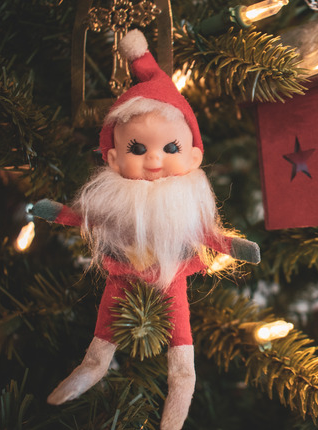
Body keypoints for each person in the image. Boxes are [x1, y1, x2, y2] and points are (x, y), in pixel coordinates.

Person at [31, 29, 259, 429]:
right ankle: (93, 365)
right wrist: (57, 212)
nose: (154, 160)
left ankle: (180, 392)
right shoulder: (115, 197)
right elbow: (88, 216)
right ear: (114, 158)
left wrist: (233, 246)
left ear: (193, 155)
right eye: (138, 149)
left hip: (170, 276)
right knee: (106, 323)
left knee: (181, 339)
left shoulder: (187, 199)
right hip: (124, 272)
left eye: (170, 149)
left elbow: (208, 234)